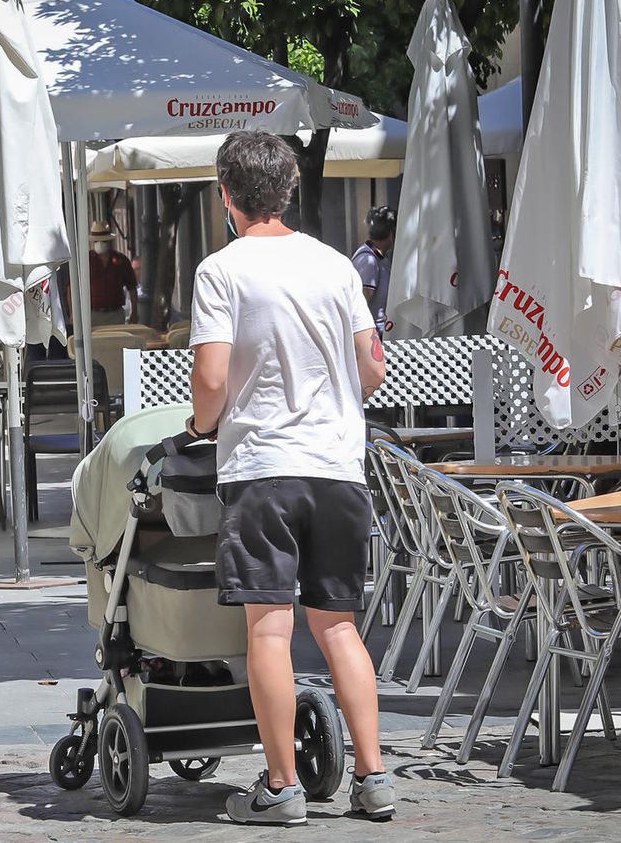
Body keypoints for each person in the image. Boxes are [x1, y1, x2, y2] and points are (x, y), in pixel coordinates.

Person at [188, 130, 394, 827]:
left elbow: (212, 380)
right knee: (339, 627)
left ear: (226, 195)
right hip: (338, 465)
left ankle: (281, 786)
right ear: (290, 190)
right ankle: (374, 776)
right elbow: (373, 369)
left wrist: (199, 425)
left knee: (270, 632)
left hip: (263, 467)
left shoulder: (221, 271)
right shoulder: (337, 266)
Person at [350, 205, 395, 335]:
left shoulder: (380, 258)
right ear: (391, 233)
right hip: (374, 335)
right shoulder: (368, 260)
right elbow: (361, 302)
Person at [87, 221, 138, 327]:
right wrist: (74, 312)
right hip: (92, 314)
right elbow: (72, 287)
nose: (100, 244)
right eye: (97, 241)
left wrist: (134, 311)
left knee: (117, 342)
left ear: (109, 241)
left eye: (103, 241)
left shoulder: (121, 260)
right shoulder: (86, 260)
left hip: (115, 314)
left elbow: (132, 287)